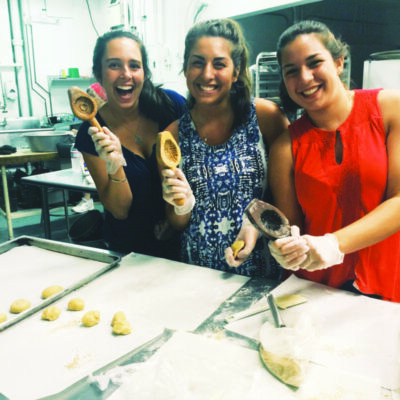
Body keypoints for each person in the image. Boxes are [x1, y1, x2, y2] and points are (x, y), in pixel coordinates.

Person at [267, 20, 400, 302]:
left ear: (339, 62)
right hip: (316, 292)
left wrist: (333, 244)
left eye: (314, 62)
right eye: (292, 71)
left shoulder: (390, 110)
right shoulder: (285, 147)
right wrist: (287, 250)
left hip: (388, 287)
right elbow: (293, 229)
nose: (304, 78)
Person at [161, 19, 289, 277]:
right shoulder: (172, 136)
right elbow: (175, 222)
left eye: (219, 64)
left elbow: (290, 200)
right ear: (185, 68)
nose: (207, 74)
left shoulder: (265, 117)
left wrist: (256, 225)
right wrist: (182, 205)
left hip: (262, 269)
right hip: (197, 272)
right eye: (197, 62)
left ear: (236, 69)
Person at [74, 30, 186, 258]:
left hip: (184, 242)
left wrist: (175, 219)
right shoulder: (92, 132)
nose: (126, 74)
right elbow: (119, 210)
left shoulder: (171, 106)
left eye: (134, 65)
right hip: (130, 251)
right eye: (114, 65)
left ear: (144, 72)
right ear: (99, 73)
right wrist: (115, 166)